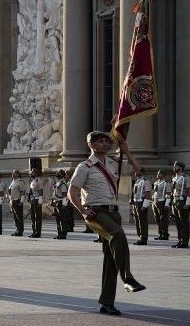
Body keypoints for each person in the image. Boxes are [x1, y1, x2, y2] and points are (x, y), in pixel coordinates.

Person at [67, 131, 146, 316]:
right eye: (100, 141)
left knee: (111, 259)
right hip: (96, 212)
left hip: (113, 212)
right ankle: (128, 278)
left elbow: (138, 170)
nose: (105, 144)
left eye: (106, 141)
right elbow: (72, 192)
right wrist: (83, 211)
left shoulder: (113, 164)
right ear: (91, 145)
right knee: (118, 234)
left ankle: (107, 302)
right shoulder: (84, 167)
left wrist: (126, 152)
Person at [170, 161, 190, 248]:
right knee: (178, 223)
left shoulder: (185, 178)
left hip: (182, 201)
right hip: (176, 201)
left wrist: (188, 203)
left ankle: (185, 241)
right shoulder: (174, 178)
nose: (174, 167)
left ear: (181, 168)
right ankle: (180, 240)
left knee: (184, 222)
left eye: (176, 166)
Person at [131, 169, 152, 245]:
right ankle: (140, 237)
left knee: (142, 222)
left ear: (142, 172)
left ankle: (144, 238)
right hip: (136, 203)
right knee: (137, 221)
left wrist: (145, 205)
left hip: (142, 202)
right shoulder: (137, 181)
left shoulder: (145, 181)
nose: (135, 172)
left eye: (137, 171)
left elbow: (148, 194)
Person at [152, 170, 171, 240]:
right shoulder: (156, 183)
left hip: (162, 202)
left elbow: (168, 193)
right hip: (155, 202)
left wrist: (167, 204)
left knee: (163, 219)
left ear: (163, 175)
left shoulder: (166, 183)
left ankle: (165, 234)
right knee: (157, 219)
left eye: (160, 173)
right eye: (158, 173)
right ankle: (160, 234)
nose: (158, 175)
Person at [7, 170, 27, 236]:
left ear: (18, 174)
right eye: (12, 173)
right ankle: (17, 229)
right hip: (12, 201)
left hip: (17, 200)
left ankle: (20, 231)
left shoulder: (20, 181)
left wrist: (21, 201)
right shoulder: (13, 182)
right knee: (15, 217)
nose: (12, 174)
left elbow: (23, 192)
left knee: (19, 217)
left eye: (14, 173)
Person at [51, 170, 70, 239]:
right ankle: (59, 233)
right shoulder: (58, 183)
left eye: (58, 173)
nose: (57, 174)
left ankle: (63, 233)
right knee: (58, 219)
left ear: (62, 175)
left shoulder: (62, 183)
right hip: (56, 201)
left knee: (62, 219)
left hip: (61, 202)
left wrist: (64, 205)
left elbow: (64, 194)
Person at [27, 169, 46, 238]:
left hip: (37, 200)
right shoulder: (32, 181)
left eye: (32, 173)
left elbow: (41, 191)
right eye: (31, 173)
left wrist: (40, 202)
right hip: (32, 200)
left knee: (37, 217)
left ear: (36, 173)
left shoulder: (39, 181)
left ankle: (38, 232)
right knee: (33, 217)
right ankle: (34, 231)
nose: (31, 174)